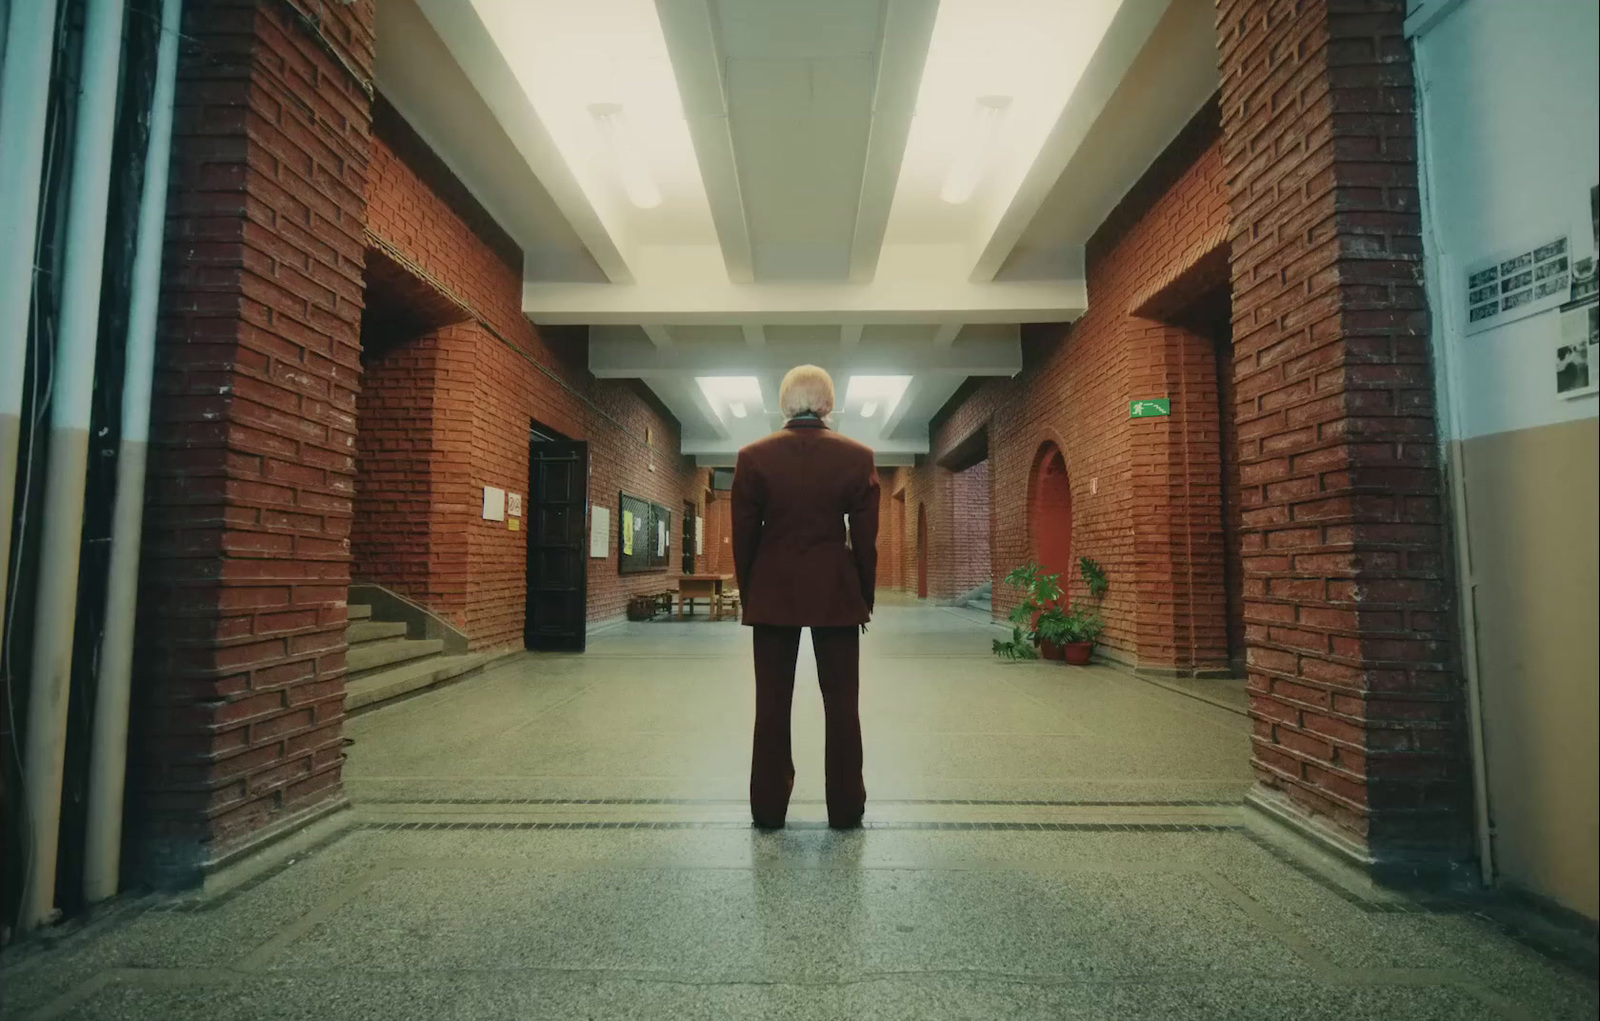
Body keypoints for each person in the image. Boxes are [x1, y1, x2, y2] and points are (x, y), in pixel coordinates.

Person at [732, 365, 880, 830]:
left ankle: (769, 808)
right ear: (829, 405)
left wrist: (750, 594)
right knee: (842, 705)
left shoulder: (753, 457)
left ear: (784, 405)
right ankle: (845, 806)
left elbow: (743, 538)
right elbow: (867, 539)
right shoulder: (856, 457)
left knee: (771, 704)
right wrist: (863, 596)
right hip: (836, 593)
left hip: (773, 594)